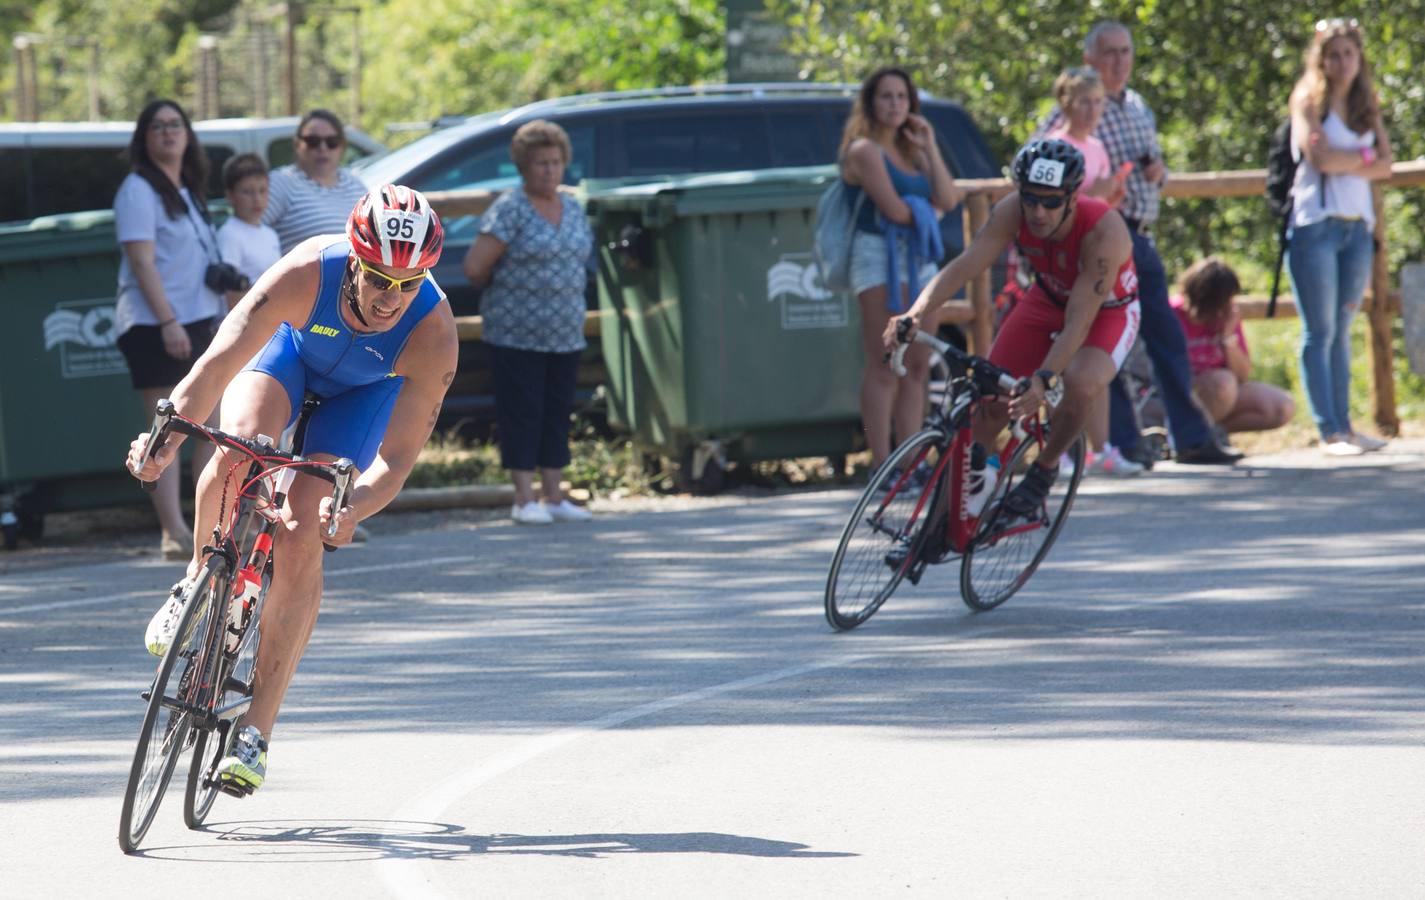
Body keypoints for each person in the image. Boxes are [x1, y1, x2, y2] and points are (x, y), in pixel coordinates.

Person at [126, 184, 457, 795]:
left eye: (408, 284)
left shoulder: (433, 332)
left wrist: (353, 506)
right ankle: (199, 583)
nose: (392, 297)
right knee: (236, 452)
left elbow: (400, 456)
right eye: (380, 278)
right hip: (288, 357)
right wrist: (163, 438)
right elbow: (218, 364)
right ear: (355, 260)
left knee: (304, 528)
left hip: (362, 395)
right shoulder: (308, 271)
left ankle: (256, 732)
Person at [883, 139, 1141, 517]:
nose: (1038, 212)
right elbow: (968, 264)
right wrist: (915, 313)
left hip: (1106, 312)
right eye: (1030, 199)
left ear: (1071, 198)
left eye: (1051, 202)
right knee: (991, 402)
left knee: (1081, 381)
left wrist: (1044, 379)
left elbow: (1079, 323)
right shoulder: (1012, 211)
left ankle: (1044, 471)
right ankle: (946, 515)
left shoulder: (1104, 233)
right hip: (1048, 298)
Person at [1042, 21, 1240, 466]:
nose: (1119, 61)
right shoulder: (1071, 110)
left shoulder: (1138, 106)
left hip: (1141, 233)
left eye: (1125, 52)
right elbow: (1046, 167)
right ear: (1090, 57)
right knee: (1107, 337)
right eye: (1109, 53)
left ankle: (1189, 435)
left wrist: (1158, 173)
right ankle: (1122, 442)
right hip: (1104, 233)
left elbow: (1156, 166)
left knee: (1165, 334)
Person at [461, 120, 594, 525]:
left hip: (565, 333)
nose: (550, 171)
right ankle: (524, 497)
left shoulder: (571, 206)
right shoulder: (510, 209)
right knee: (523, 413)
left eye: (555, 162)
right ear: (524, 167)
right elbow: (475, 267)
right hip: (516, 334)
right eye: (541, 163)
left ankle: (554, 494)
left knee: (557, 412)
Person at [113, 99, 225, 561]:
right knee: (168, 429)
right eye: (156, 127)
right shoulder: (137, 189)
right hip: (155, 323)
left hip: (198, 317)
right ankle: (172, 531)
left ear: (188, 134)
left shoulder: (186, 188)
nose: (167, 133)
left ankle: (204, 526)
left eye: (175, 125)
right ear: (144, 138)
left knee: (212, 427)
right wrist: (167, 322)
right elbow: (141, 261)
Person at [839, 67, 966, 470]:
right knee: (884, 362)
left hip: (921, 260)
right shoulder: (863, 150)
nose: (895, 104)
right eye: (886, 97)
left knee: (915, 365)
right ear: (870, 104)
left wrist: (929, 147)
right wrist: (927, 210)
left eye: (902, 97)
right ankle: (882, 464)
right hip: (879, 258)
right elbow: (894, 209)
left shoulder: (913, 150)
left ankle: (911, 462)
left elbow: (948, 198)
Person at [1286, 18, 1393, 456]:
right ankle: (1328, 429)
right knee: (1321, 330)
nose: (1342, 62)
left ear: (1359, 57)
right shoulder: (1308, 100)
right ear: (1321, 59)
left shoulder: (1368, 104)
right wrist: (1361, 158)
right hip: (1317, 226)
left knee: (1344, 326)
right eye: (1333, 55)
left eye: (1349, 53)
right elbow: (1319, 158)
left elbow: (1386, 163)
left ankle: (1346, 426)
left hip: (1357, 227)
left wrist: (1353, 158)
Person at [1046, 66, 1139, 476]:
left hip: (1096, 260)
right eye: (1084, 101)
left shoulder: (1098, 146)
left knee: (1096, 358)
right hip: (1066, 262)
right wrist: (1093, 194)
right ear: (1065, 103)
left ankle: (1099, 448)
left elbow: (1100, 206)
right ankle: (1061, 451)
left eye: (1098, 102)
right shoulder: (1054, 144)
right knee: (1065, 356)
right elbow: (1052, 202)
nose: (1092, 110)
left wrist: (1110, 195)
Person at [1171, 257, 1295, 435]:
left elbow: (1242, 375)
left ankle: (1212, 435)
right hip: (1178, 395)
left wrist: (1228, 338)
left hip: (1221, 395)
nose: (1230, 305)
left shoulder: (1226, 316)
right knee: (1224, 383)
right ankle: (1189, 436)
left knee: (1282, 406)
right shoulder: (1170, 315)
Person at [263, 109, 369, 254]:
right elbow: (248, 231)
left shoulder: (355, 185)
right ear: (297, 144)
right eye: (313, 142)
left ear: (342, 146)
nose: (323, 148)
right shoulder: (281, 182)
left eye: (332, 142)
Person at [215, 153, 281, 308]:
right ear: (230, 196)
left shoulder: (270, 234)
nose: (257, 199)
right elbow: (230, 292)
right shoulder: (230, 234)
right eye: (247, 192)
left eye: (262, 190)